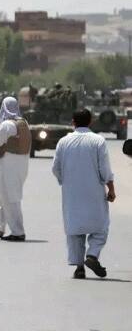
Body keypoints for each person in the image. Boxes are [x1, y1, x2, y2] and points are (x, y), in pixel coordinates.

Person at [52, 109, 115, 279]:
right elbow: (105, 170)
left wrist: (65, 181)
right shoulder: (98, 141)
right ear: (91, 121)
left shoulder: (63, 142)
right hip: (94, 191)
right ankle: (92, 255)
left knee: (74, 229)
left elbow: (55, 168)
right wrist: (111, 188)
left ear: (73, 122)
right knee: (100, 226)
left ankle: (79, 267)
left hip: (71, 193)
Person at [0, 96, 31, 242]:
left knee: (10, 198)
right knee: (1, 196)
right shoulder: (23, 123)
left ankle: (18, 232)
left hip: (8, 167)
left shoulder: (7, 126)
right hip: (19, 166)